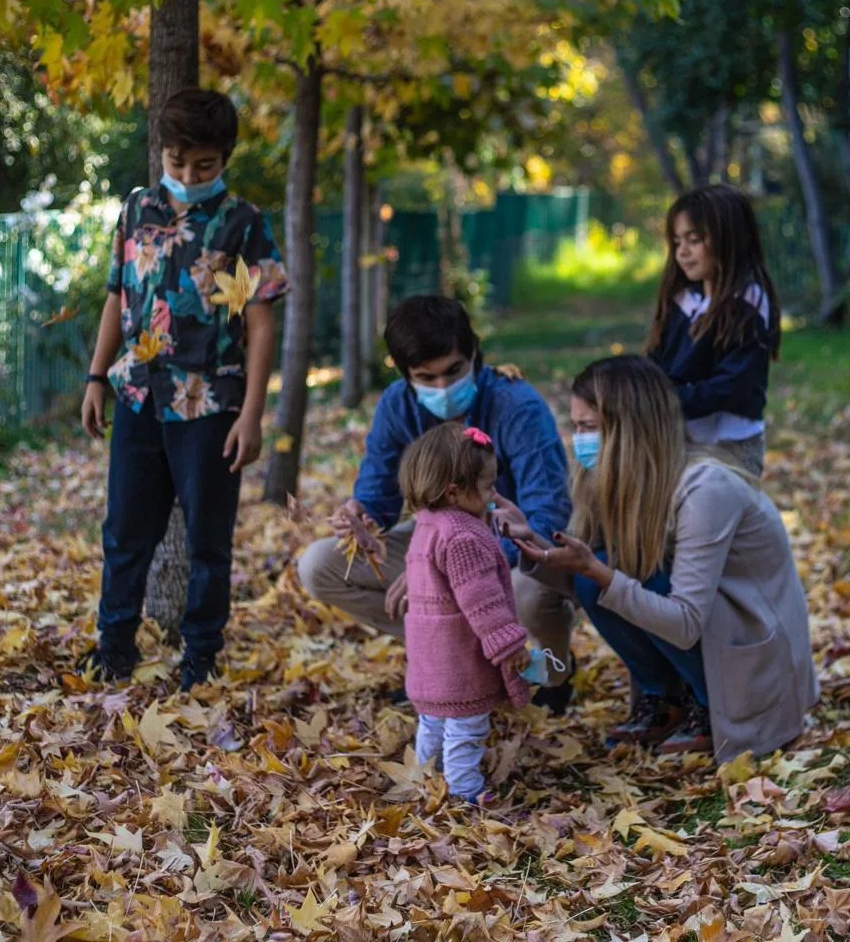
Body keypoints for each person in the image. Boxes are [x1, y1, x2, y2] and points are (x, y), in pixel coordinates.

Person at [505, 355, 818, 761]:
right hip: (709, 627)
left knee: (606, 575)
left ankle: (706, 703)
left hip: (750, 647)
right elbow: (589, 578)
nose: (577, 439)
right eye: (576, 426)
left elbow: (685, 622)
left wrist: (595, 570)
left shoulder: (706, 488)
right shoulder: (623, 479)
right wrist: (533, 543)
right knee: (594, 578)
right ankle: (665, 699)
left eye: (588, 427)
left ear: (628, 429)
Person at [79, 88, 287, 691]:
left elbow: (261, 320)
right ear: (162, 152)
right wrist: (97, 376)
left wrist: (252, 414)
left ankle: (200, 656)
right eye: (177, 162)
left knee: (208, 538)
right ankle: (113, 647)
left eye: (204, 165)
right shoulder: (136, 208)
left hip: (211, 404)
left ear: (224, 158)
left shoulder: (244, 224)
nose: (189, 175)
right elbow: (117, 294)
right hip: (139, 394)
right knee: (124, 530)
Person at [295, 295, 578, 713]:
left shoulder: (519, 406)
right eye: (427, 378)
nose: (443, 389)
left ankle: (555, 673)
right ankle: (447, 661)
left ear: (473, 355)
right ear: (405, 374)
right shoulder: (397, 404)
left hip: (514, 549)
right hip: (436, 539)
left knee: (529, 596)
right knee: (319, 565)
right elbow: (379, 494)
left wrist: (440, 569)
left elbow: (547, 515)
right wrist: (362, 516)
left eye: (454, 371)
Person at [399, 423, 532, 802]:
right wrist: (509, 645)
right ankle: (464, 792)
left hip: (429, 660)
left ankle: (423, 779)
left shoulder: (429, 523)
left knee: (434, 723)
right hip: (460, 661)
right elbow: (482, 600)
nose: (494, 495)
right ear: (455, 491)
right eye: (488, 487)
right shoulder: (463, 536)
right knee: (466, 728)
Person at [646, 185, 781, 478]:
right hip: (678, 442)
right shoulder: (682, 298)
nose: (682, 252)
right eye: (677, 240)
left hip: (728, 449)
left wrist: (664, 400)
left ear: (727, 240)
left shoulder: (748, 303)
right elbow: (660, 363)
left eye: (694, 240)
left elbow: (730, 387)